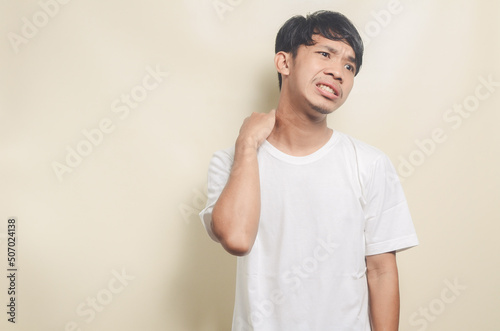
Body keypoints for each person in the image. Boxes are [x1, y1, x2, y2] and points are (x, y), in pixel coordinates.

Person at [199, 10, 418, 331]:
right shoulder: (230, 161)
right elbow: (236, 238)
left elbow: (381, 271)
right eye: (325, 54)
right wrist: (247, 144)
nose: (339, 72)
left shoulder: (370, 164)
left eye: (349, 65)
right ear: (285, 63)